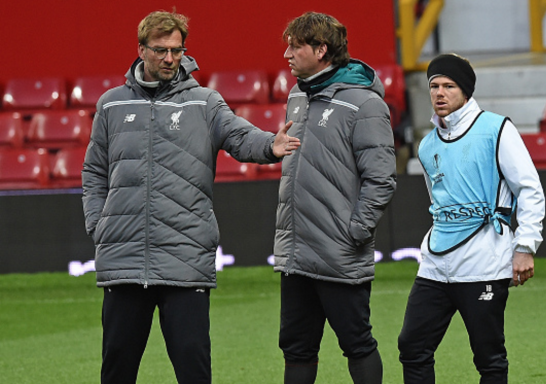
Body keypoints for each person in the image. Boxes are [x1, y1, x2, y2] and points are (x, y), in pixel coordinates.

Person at [81, 10, 300, 384]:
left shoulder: (205, 102)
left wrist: (270, 144)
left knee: (193, 368)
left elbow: (240, 137)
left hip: (185, 257)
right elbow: (93, 172)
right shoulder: (111, 104)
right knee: (116, 370)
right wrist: (99, 225)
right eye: (161, 50)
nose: (169, 58)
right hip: (124, 257)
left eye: (177, 50)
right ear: (141, 50)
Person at [397, 53, 546, 383]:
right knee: (412, 346)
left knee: (488, 356)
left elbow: (530, 189)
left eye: (449, 86)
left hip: (485, 263)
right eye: (434, 85)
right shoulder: (427, 145)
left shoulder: (497, 129)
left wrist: (525, 246)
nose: (439, 93)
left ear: (466, 91)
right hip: (435, 264)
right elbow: (437, 202)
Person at [273, 12, 397, 384]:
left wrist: (354, 232)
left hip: (339, 251)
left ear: (321, 49)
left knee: (357, 343)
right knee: (296, 347)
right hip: (296, 252)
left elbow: (382, 179)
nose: (287, 54)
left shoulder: (365, 104)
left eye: (296, 46)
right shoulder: (297, 95)